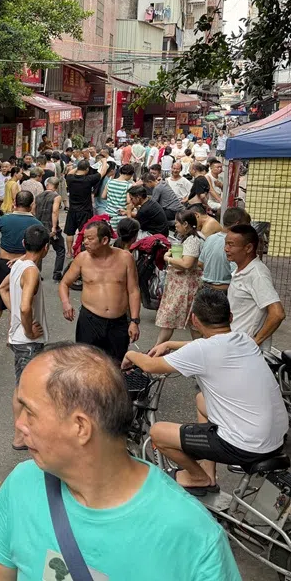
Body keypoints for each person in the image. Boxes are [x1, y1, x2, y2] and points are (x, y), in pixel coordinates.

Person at [0, 343, 242, 581]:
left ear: (80, 427)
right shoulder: (22, 484)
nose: (19, 425)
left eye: (29, 413)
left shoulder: (193, 538)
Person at [123, 288, 288, 495]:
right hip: (274, 436)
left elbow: (149, 366)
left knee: (158, 433)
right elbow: (211, 345)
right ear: (230, 317)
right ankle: (208, 471)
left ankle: (198, 477)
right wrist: (171, 344)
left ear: (194, 320)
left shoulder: (202, 351)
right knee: (202, 399)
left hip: (245, 444)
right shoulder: (244, 339)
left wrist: (130, 353)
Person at [0, 225, 49, 450]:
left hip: (18, 338)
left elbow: (2, 289)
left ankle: (22, 434)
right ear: (46, 249)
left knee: (21, 386)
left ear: (23, 244)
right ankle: (19, 437)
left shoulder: (18, 264)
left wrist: (16, 314)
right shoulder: (31, 271)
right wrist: (27, 329)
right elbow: (26, 307)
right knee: (24, 390)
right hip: (26, 342)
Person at [59, 220, 141, 362]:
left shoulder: (125, 258)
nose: (85, 242)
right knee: (86, 364)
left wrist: (134, 321)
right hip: (90, 320)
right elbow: (64, 283)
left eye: (90, 239)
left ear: (104, 240)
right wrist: (66, 303)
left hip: (118, 322)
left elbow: (133, 290)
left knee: (115, 365)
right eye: (84, 238)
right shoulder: (82, 259)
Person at [0, 191, 42, 341]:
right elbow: (42, 248)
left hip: (4, 262)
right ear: (31, 205)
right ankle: (14, 332)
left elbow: (2, 230)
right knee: (22, 299)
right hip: (26, 265)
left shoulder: (4, 219)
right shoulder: (37, 224)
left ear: (15, 202)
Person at [225, 224, 286, 351]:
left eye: (231, 245)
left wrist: (256, 341)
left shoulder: (257, 275)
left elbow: (277, 313)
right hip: (234, 342)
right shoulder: (240, 270)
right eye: (226, 244)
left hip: (245, 349)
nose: (226, 248)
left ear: (248, 248)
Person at [154, 210, 203, 345]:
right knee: (191, 323)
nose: (175, 226)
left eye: (177, 223)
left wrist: (167, 259)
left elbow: (187, 264)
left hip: (184, 286)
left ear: (186, 224)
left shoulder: (193, 241)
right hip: (180, 285)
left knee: (172, 320)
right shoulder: (187, 239)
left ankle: (155, 351)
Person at [199, 207, 249, 293]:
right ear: (238, 224)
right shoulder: (235, 243)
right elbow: (236, 272)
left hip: (205, 288)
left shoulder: (210, 238)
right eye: (246, 225)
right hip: (224, 291)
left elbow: (200, 263)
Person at [63, 160, 105, 254]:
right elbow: (102, 173)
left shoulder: (70, 178)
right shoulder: (88, 179)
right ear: (87, 169)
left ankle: (69, 252)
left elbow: (70, 172)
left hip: (72, 210)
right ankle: (83, 251)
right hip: (85, 211)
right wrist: (104, 161)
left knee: (70, 232)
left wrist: (77, 168)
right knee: (85, 232)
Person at [35, 178, 65, 280]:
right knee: (60, 249)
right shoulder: (56, 197)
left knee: (38, 250)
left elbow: (33, 210)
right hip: (50, 226)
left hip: (39, 225)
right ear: (56, 187)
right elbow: (55, 211)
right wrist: (54, 227)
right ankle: (57, 274)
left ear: (47, 185)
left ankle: (37, 273)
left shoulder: (38, 196)